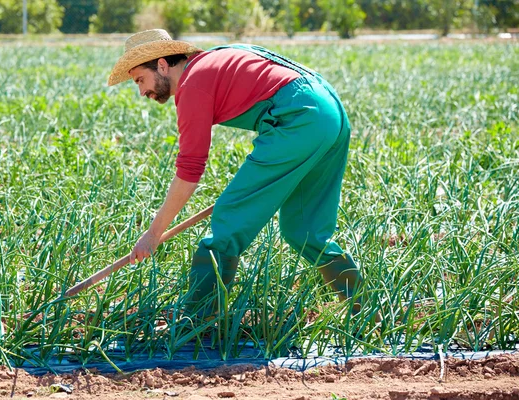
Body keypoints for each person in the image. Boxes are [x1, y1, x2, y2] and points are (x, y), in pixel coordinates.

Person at [108, 29, 363, 317]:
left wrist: (153, 234)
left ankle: (196, 326)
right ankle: (367, 310)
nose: (142, 91)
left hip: (299, 118)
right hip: (328, 110)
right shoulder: (215, 58)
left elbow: (191, 167)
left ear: (163, 64)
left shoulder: (193, 84)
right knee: (304, 231)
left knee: (228, 222)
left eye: (140, 79)